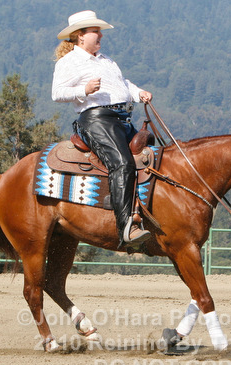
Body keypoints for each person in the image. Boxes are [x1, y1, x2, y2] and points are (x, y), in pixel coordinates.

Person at [52, 10, 153, 248]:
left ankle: (153, 213)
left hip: (122, 119)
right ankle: (125, 227)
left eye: (99, 31)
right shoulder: (69, 61)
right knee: (122, 163)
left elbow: (122, 84)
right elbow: (57, 93)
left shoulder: (106, 60)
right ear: (80, 36)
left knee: (153, 158)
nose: (100, 35)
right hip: (96, 121)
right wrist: (84, 90)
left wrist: (138, 93)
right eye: (95, 31)